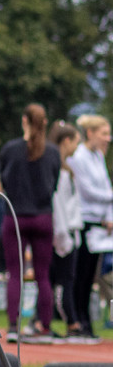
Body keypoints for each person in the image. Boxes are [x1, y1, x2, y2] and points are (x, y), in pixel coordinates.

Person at [0, 104, 63, 341]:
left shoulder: (10, 149)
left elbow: (3, 181)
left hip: (15, 216)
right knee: (43, 275)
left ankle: (13, 326)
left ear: (24, 120)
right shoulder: (53, 152)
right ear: (44, 122)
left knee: (15, 273)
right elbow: (54, 184)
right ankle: (45, 327)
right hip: (43, 216)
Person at [70, 114, 111, 341]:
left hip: (98, 224)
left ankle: (86, 319)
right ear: (91, 133)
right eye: (104, 133)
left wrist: (108, 213)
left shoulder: (98, 156)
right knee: (82, 274)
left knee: (91, 276)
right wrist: (110, 198)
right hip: (84, 221)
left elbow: (104, 186)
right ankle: (79, 318)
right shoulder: (80, 156)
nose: (108, 138)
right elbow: (88, 191)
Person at [49, 122, 86, 338]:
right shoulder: (60, 173)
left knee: (59, 278)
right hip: (63, 233)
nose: (76, 148)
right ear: (66, 141)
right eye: (75, 142)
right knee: (63, 280)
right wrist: (63, 235)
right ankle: (71, 321)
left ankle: (63, 320)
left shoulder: (66, 170)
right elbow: (60, 206)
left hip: (69, 231)